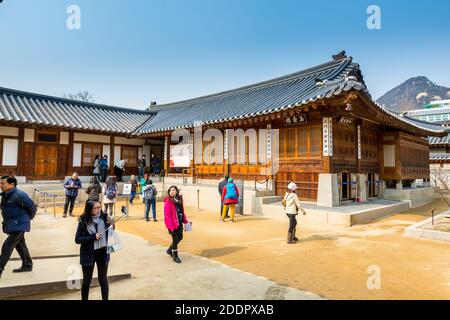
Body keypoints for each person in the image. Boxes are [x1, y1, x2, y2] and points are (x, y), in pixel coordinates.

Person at [75, 200, 113, 300]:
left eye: (99, 207)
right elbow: (77, 239)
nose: (98, 210)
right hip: (88, 254)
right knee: (87, 281)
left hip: (103, 252)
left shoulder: (104, 218)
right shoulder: (83, 221)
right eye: (96, 208)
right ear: (89, 209)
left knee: (103, 280)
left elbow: (110, 232)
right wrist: (92, 237)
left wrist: (112, 226)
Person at [0, 176, 36, 279]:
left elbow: (33, 207)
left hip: (19, 225)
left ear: (12, 185)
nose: (1, 185)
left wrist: (26, 220)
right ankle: (27, 265)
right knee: (20, 245)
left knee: (7, 246)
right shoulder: (6, 195)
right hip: (13, 224)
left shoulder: (20, 195)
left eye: (3, 183)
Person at [164, 186, 188, 264]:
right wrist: (170, 227)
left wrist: (185, 221)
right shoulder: (168, 201)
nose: (172, 192)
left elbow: (182, 211)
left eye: (173, 190)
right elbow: (167, 215)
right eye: (170, 190)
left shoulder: (179, 201)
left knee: (180, 237)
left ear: (176, 191)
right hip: (172, 224)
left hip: (179, 222)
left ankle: (169, 250)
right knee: (175, 239)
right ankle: (175, 256)